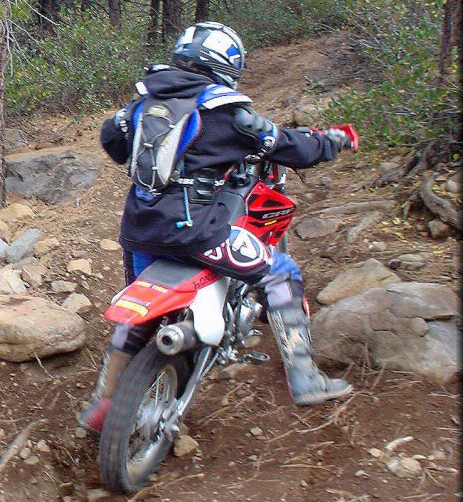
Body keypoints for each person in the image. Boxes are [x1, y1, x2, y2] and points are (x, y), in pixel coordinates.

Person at [81, 21, 356, 434]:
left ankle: (105, 405)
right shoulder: (227, 113)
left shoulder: (141, 105)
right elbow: (289, 147)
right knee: (281, 272)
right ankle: (305, 379)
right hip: (196, 235)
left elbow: (112, 142)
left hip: (138, 233)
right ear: (226, 65)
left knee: (137, 320)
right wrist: (333, 140)